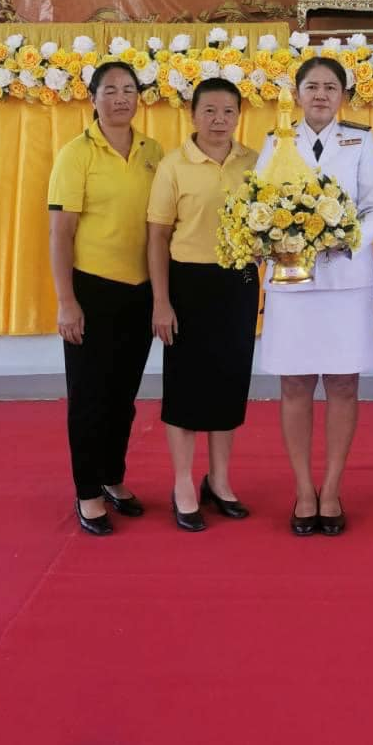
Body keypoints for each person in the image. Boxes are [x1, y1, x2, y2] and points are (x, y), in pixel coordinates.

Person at [255, 56, 373, 535]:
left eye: (331, 87)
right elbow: (258, 207)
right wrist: (269, 239)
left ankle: (331, 488)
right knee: (293, 384)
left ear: (343, 97)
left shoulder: (360, 140)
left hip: (345, 283)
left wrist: (347, 236)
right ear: (296, 94)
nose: (320, 95)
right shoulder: (276, 141)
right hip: (292, 285)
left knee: (342, 384)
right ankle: (303, 489)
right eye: (311, 86)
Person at [48, 58, 161, 536]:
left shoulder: (154, 150)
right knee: (90, 397)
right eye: (110, 90)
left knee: (123, 396)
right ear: (92, 98)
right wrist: (66, 301)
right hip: (92, 290)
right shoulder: (77, 154)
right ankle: (87, 490)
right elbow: (60, 233)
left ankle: (113, 476)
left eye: (129, 89)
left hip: (141, 291)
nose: (121, 98)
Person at [147, 79, 259, 533]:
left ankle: (221, 481)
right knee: (187, 386)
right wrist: (161, 301)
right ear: (192, 116)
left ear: (238, 116)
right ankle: (182, 484)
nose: (218, 121)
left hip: (239, 283)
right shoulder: (174, 165)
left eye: (228, 112)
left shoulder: (255, 162)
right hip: (188, 284)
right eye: (209, 111)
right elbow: (156, 236)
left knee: (230, 383)